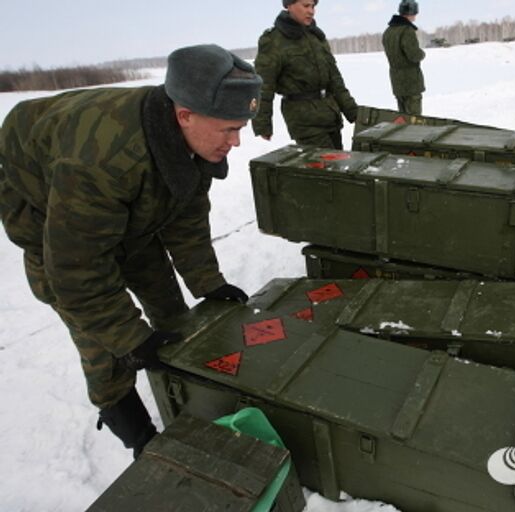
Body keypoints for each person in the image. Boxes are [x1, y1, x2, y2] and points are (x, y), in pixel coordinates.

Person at [0, 44, 262, 458]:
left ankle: (186, 394)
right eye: (228, 129)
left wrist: (208, 283)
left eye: (240, 128)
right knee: (103, 341)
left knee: (172, 313)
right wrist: (130, 338)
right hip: (52, 223)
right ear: (184, 114)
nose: (237, 142)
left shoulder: (191, 142)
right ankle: (137, 434)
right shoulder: (101, 161)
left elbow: (186, 213)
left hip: (123, 218)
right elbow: (76, 271)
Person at [253, 0, 358, 149]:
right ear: (289, 5)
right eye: (306, 6)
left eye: (313, 6)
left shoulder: (316, 36)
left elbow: (335, 80)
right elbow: (264, 85)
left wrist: (352, 112)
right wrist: (262, 124)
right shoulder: (274, 40)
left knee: (338, 164)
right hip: (305, 121)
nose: (311, 11)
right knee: (326, 168)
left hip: (329, 115)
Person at [383, 0, 425, 115]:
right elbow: (414, 55)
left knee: (403, 119)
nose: (415, 17)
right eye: (415, 14)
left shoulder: (388, 32)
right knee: (414, 121)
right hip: (411, 83)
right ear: (411, 13)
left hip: (397, 82)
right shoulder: (407, 30)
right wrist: (422, 54)